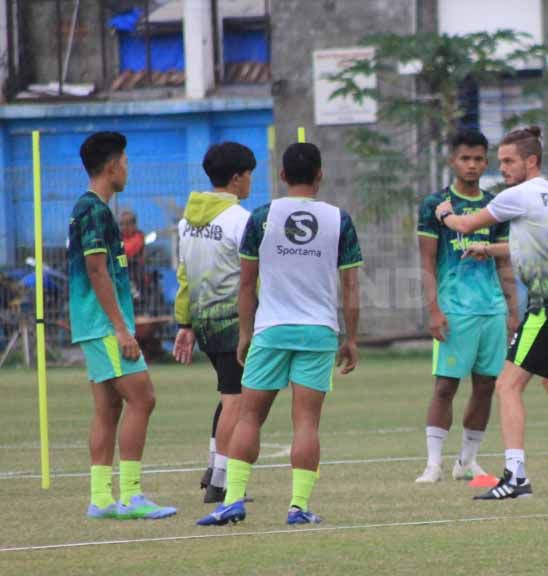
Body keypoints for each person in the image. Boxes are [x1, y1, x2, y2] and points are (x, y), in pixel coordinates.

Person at [435, 126, 548, 499]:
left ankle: (516, 477)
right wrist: (488, 250)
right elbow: (535, 245)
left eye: (509, 161)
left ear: (531, 160)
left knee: (507, 384)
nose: (503, 169)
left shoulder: (519, 195)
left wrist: (446, 213)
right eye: (500, 162)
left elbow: (464, 224)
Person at [197, 142, 362, 526]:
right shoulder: (340, 220)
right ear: (320, 175)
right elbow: (351, 288)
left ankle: (233, 500)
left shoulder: (261, 216)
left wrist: (244, 333)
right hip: (318, 331)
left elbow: (246, 284)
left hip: (270, 330)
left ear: (283, 175)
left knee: (250, 417)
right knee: (306, 423)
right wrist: (351, 338)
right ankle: (298, 506)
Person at [69, 131, 176, 520]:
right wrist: (121, 328)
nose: (128, 168)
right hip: (103, 325)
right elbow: (97, 270)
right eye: (126, 162)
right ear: (112, 165)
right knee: (143, 398)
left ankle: (100, 498)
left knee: (108, 407)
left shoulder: (91, 208)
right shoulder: (95, 210)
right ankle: (131, 496)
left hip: (96, 324)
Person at [414, 129, 517, 483]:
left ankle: (467, 461)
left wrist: (512, 309)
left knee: (486, 385)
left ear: (485, 162)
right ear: (452, 161)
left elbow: (505, 262)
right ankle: (433, 465)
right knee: (445, 386)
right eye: (465, 159)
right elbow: (427, 262)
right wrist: (433, 309)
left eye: (478, 159)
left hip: (492, 309)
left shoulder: (494, 205)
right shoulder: (436, 205)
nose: (472, 165)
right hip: (455, 309)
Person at [173, 142, 257, 503]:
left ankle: (213, 467)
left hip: (203, 322)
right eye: (250, 174)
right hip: (233, 323)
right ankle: (220, 483)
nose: (252, 181)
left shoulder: (186, 221)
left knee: (228, 396)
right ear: (237, 178)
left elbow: (184, 274)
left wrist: (185, 324)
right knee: (237, 401)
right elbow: (252, 277)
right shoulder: (241, 220)